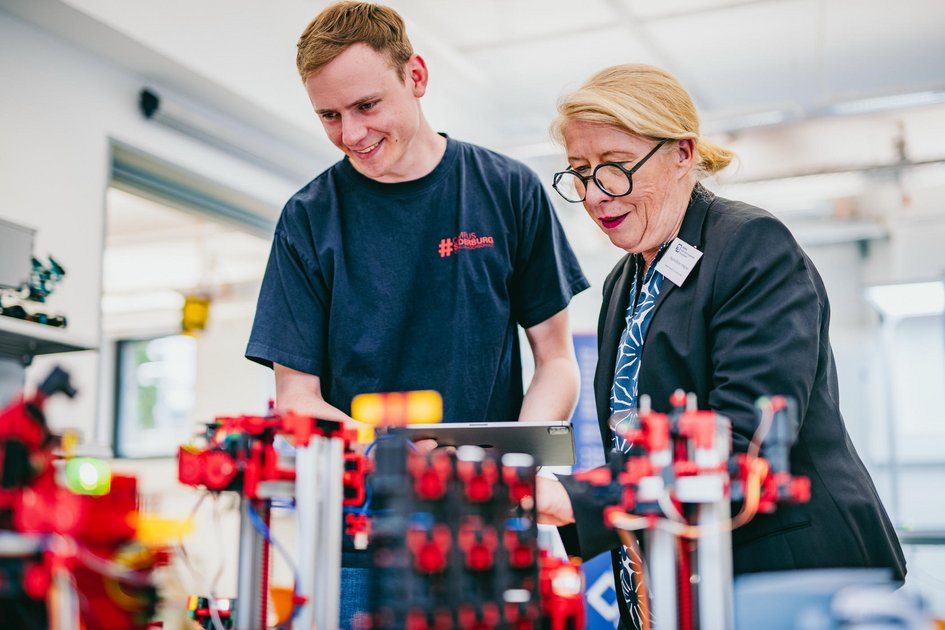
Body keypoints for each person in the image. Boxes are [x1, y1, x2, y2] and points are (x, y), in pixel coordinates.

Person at [245, 2, 589, 627]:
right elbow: (297, 399)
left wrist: (514, 466)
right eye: (329, 115)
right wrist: (401, 462)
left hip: (492, 524)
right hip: (359, 538)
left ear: (418, 77)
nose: (351, 133)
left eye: (367, 106)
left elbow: (556, 359)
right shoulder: (308, 219)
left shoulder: (507, 190)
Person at [534, 64, 906, 629]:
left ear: (682, 152)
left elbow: (741, 438)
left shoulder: (750, 246)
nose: (594, 196)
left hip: (788, 575)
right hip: (672, 579)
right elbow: (630, 443)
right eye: (580, 173)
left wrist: (577, 496)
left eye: (614, 168)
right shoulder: (623, 281)